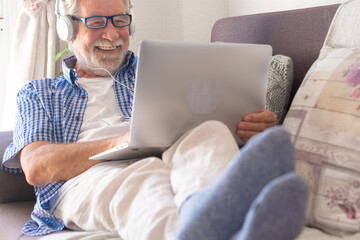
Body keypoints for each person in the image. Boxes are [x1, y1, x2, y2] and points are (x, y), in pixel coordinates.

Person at [2, 0, 309, 239]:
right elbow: (37, 167)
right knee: (146, 174)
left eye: (120, 21)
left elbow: (201, 124)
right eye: (96, 22)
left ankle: (212, 213)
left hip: (169, 157)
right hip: (85, 179)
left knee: (211, 131)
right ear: (67, 30)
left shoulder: (162, 67)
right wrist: (121, 141)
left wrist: (249, 129)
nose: (112, 34)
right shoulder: (39, 93)